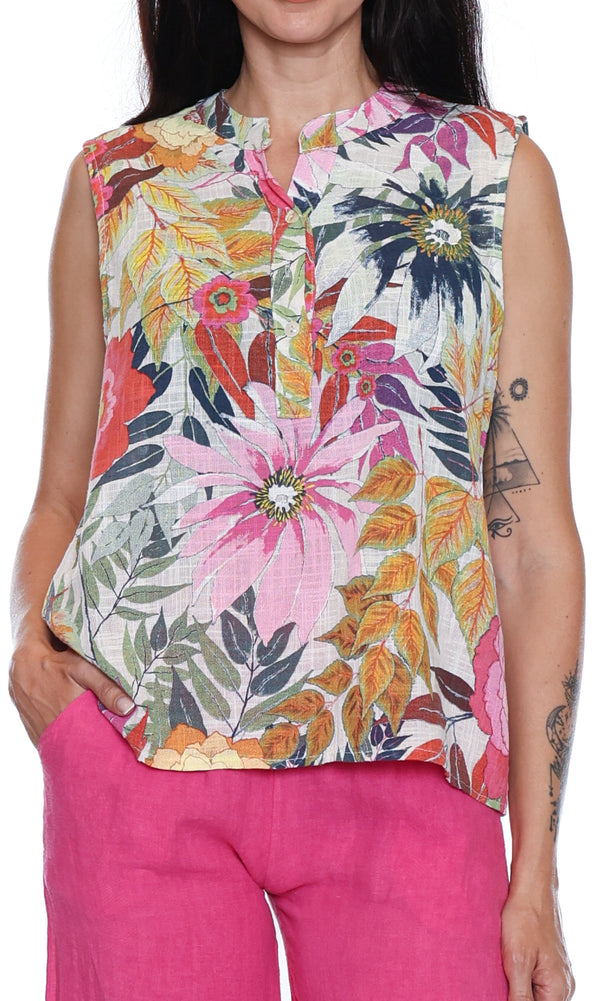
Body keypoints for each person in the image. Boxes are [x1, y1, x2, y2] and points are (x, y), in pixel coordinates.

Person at [8, 1, 583, 999]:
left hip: (415, 762)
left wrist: (537, 870)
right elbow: (62, 494)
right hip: (140, 762)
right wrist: (32, 653)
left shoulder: (494, 174)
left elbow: (530, 539)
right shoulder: (119, 182)